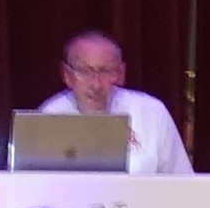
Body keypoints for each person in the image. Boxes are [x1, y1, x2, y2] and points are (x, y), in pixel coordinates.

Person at [39, 31, 193, 176]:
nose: (96, 84)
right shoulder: (49, 117)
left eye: (105, 71)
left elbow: (182, 180)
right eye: (84, 71)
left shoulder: (151, 112)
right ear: (67, 75)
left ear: (120, 74)